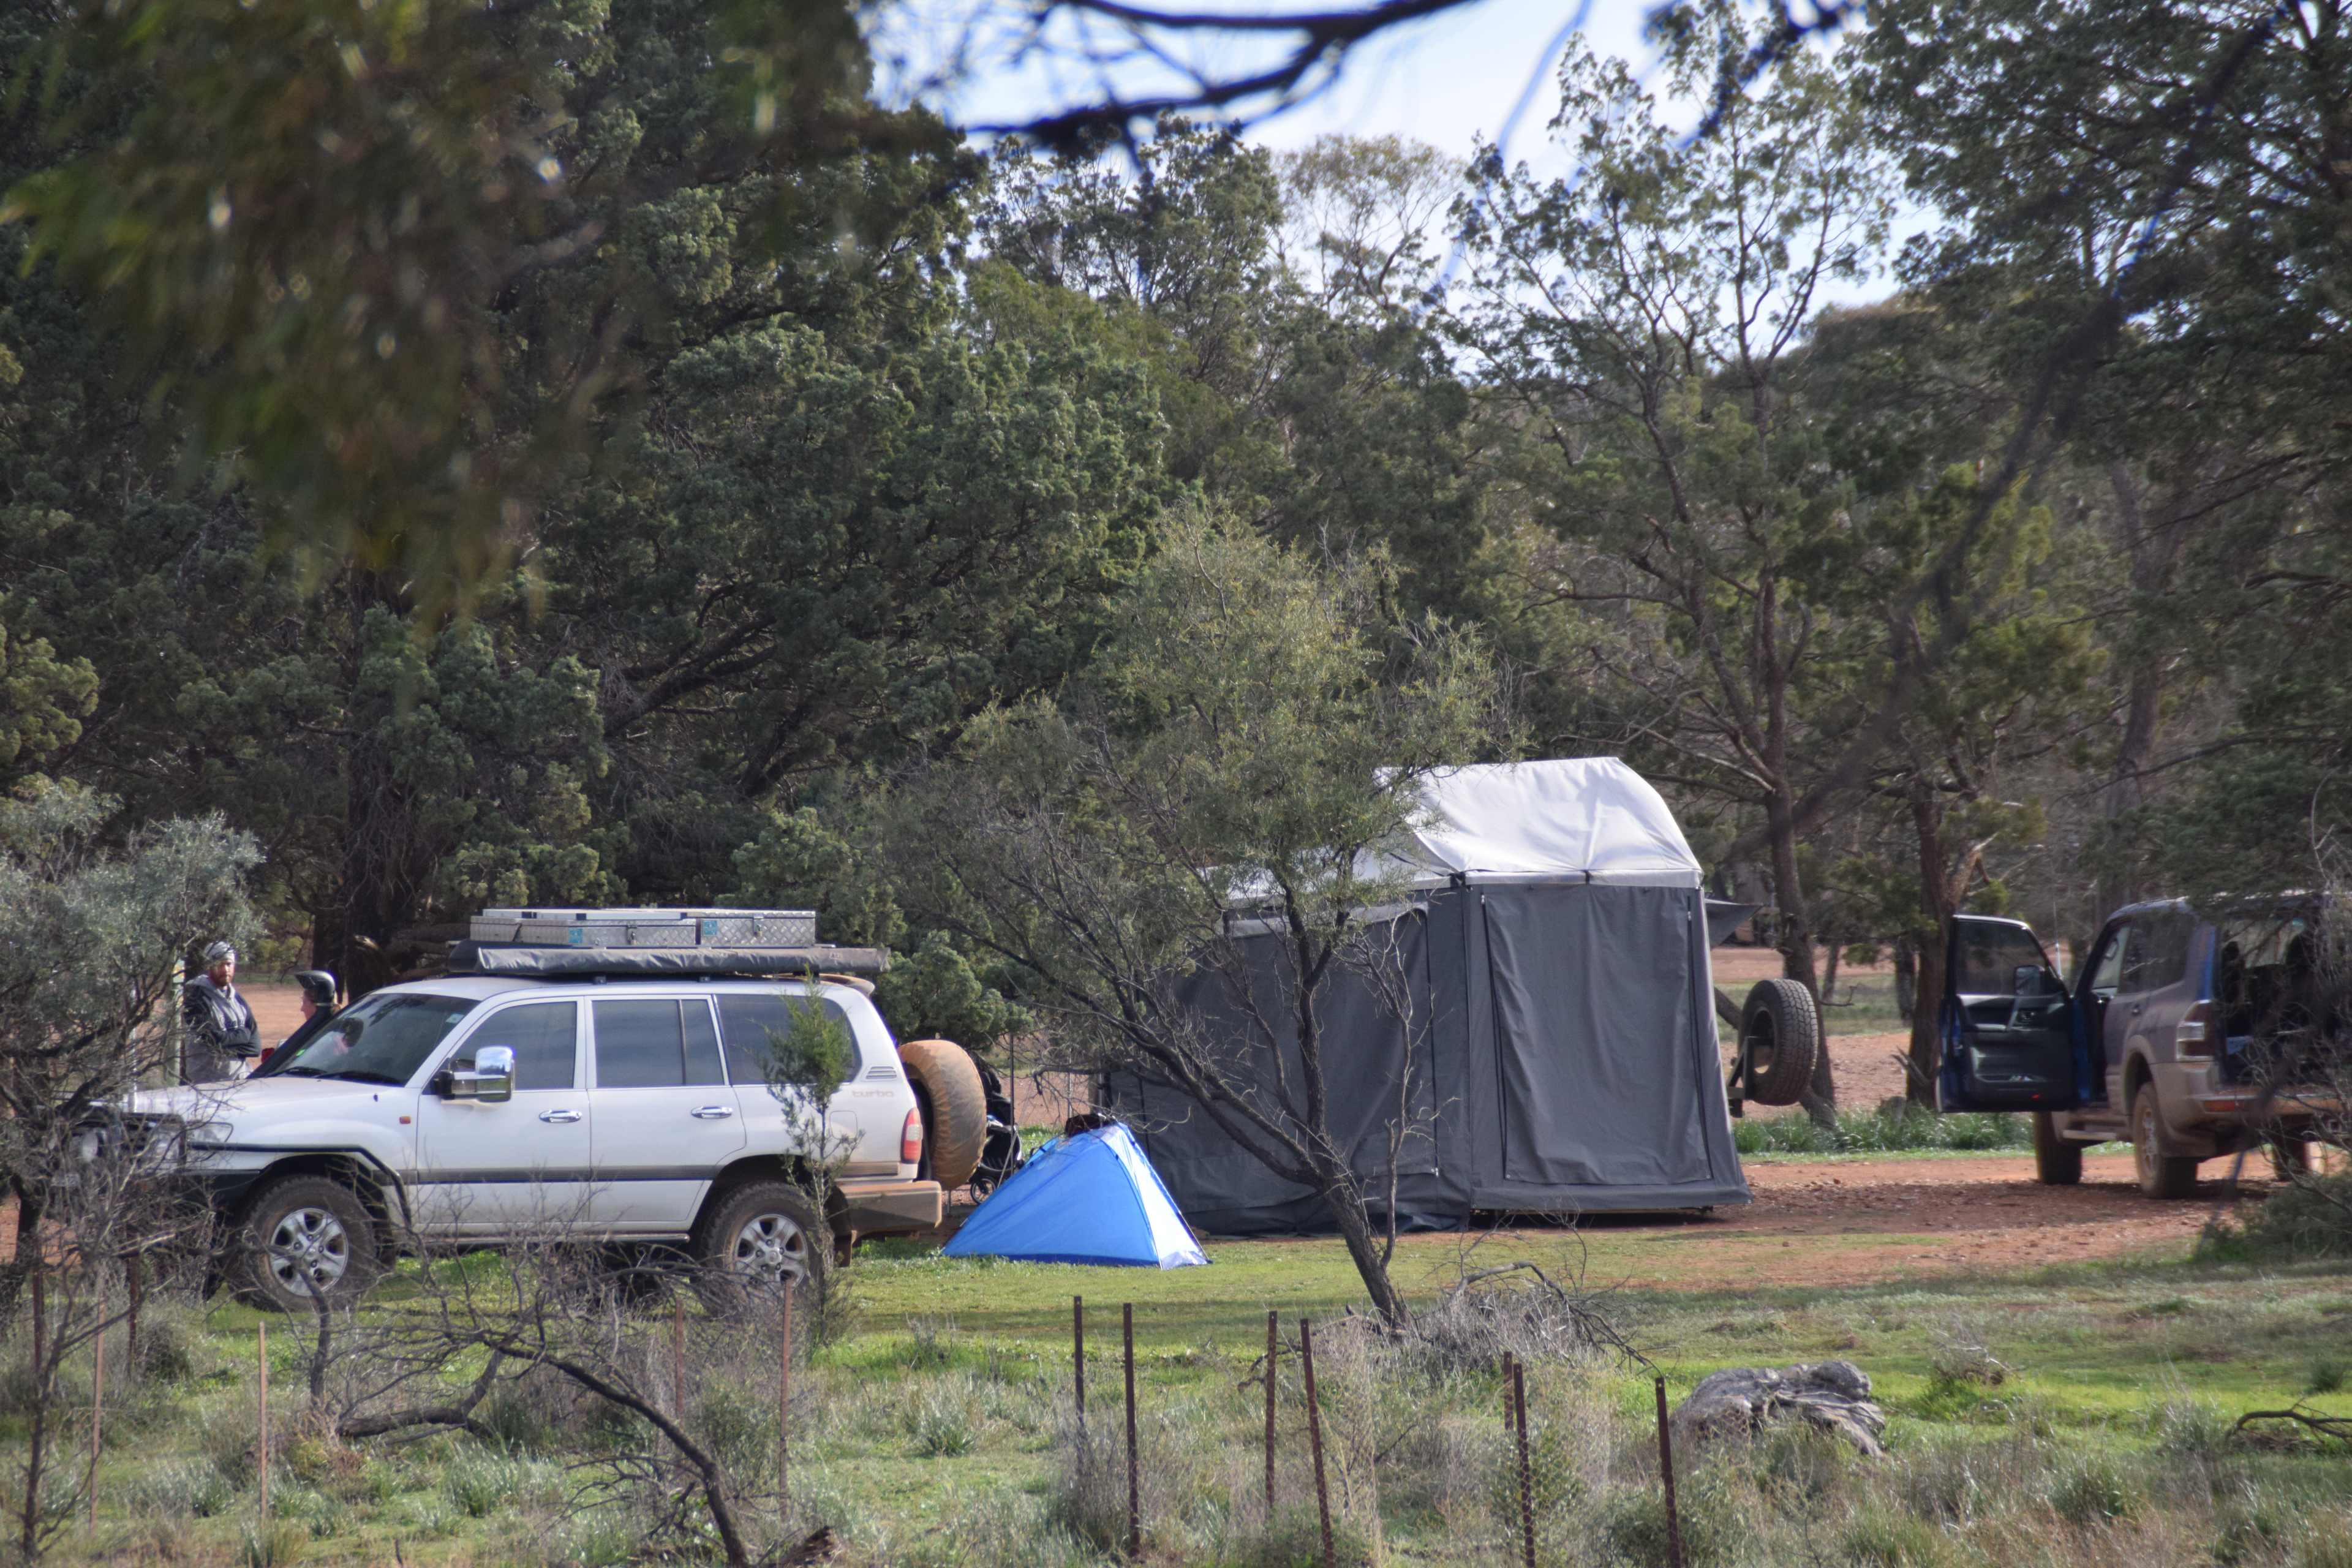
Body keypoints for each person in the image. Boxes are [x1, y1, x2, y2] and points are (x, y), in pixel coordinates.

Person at [181, 940, 261, 1083]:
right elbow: (212, 1040)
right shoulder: (196, 999)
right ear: (209, 966)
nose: (225, 970)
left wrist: (226, 1045)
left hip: (241, 1079)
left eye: (229, 964)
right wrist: (243, 1035)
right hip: (207, 1085)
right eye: (220, 964)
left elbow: (255, 1047)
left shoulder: (238, 999)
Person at [253, 970, 339, 1074]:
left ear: (318, 1006)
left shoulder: (332, 1039)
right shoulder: (332, 1032)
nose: (302, 1009)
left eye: (304, 1002)